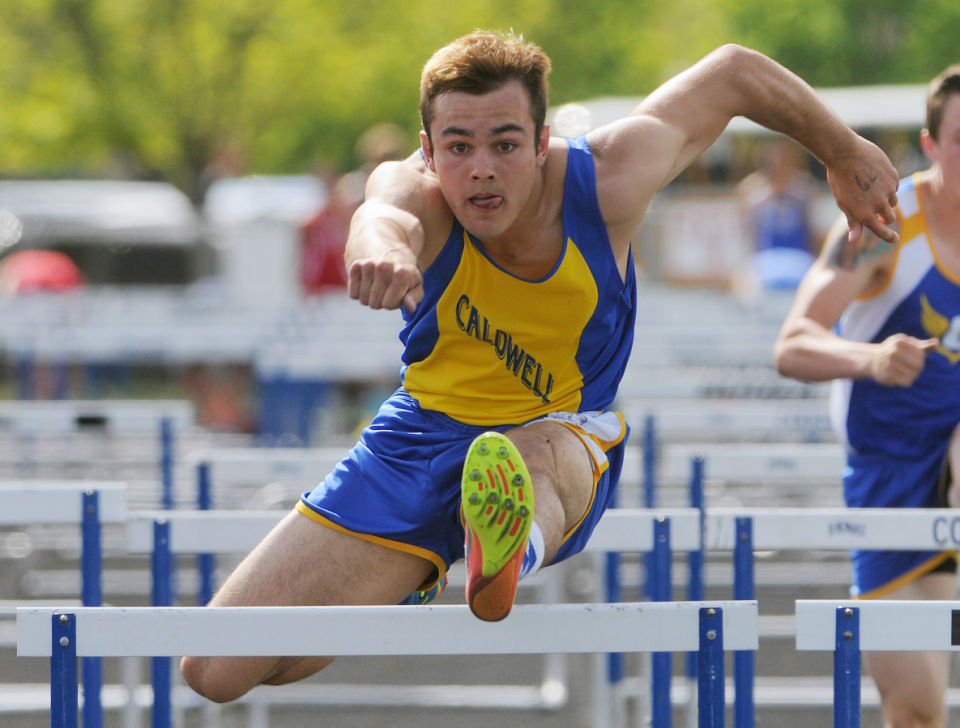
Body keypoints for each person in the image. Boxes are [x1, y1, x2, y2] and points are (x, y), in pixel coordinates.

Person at [181, 30, 899, 704]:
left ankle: (505, 545)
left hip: (560, 434)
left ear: (542, 142)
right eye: (458, 147)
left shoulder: (610, 178)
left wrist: (841, 151)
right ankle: (422, 569)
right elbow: (383, 213)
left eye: (505, 143)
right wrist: (384, 247)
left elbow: (736, 72)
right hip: (418, 436)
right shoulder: (414, 195)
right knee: (214, 669)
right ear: (428, 151)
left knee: (518, 455)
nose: (482, 168)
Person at [774, 64, 960, 728]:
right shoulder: (884, 224)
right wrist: (873, 359)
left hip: (954, 461)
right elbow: (792, 343)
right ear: (932, 145)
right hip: (889, 475)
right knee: (916, 712)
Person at [737, 138, 821, 290]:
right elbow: (746, 225)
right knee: (745, 282)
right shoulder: (752, 187)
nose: (779, 164)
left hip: (800, 257)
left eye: (784, 158)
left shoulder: (805, 186)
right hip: (765, 258)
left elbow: (814, 229)